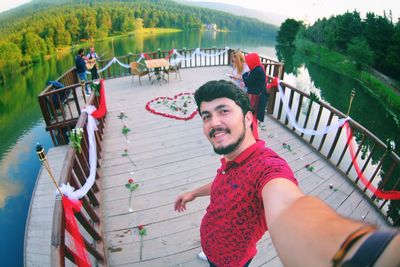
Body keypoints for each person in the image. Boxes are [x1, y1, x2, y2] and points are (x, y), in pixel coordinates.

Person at [174, 80, 400, 267]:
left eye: (224, 111)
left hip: (230, 261)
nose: (214, 123)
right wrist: (193, 193)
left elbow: (289, 207)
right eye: (206, 116)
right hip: (212, 245)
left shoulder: (267, 168)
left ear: (248, 118)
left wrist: (362, 253)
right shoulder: (232, 158)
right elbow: (224, 184)